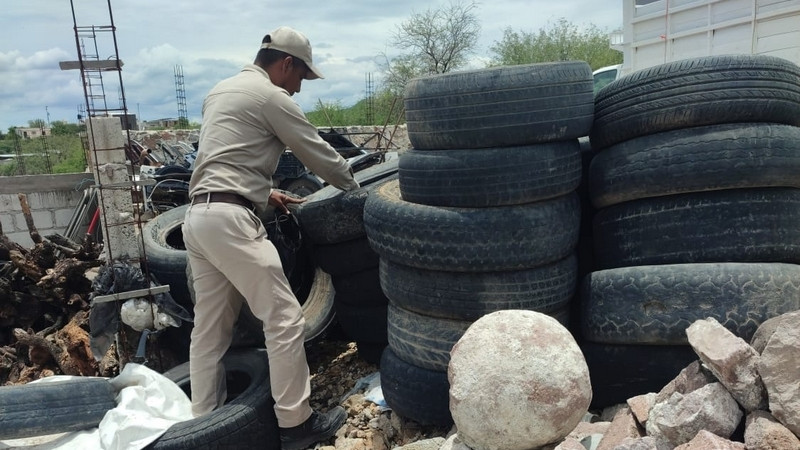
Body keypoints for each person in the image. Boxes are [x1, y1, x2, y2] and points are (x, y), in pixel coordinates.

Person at [182, 26, 359, 450]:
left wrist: (266, 192)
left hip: (198, 217)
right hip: (231, 223)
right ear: (286, 64)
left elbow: (227, 157)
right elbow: (315, 150)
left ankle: (205, 425)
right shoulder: (271, 97)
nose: (299, 89)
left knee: (209, 330)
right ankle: (297, 425)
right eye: (301, 78)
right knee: (283, 319)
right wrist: (357, 185)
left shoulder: (221, 91)